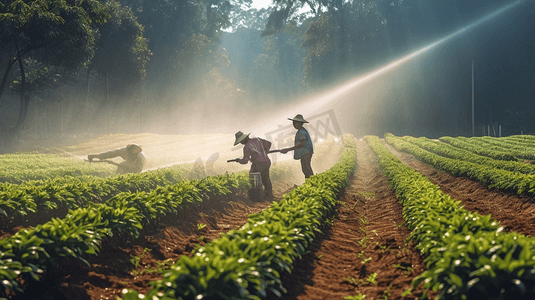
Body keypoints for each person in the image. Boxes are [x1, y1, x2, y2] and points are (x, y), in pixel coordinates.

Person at [231, 131, 273, 198]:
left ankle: (257, 196)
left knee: (254, 178)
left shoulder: (246, 147)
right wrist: (265, 151)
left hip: (258, 164)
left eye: (241, 141)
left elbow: (245, 161)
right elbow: (269, 143)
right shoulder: (257, 139)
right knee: (266, 178)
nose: (241, 143)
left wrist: (239, 160)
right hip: (267, 161)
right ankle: (269, 194)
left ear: (243, 140)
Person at [280, 114, 314, 178]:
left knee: (306, 168)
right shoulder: (300, 131)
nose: (293, 124)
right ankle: (309, 182)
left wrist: (288, 149)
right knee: (305, 169)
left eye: (295, 122)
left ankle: (312, 181)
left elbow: (301, 144)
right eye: (293, 122)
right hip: (304, 152)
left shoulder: (302, 132)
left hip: (306, 152)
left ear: (300, 123)